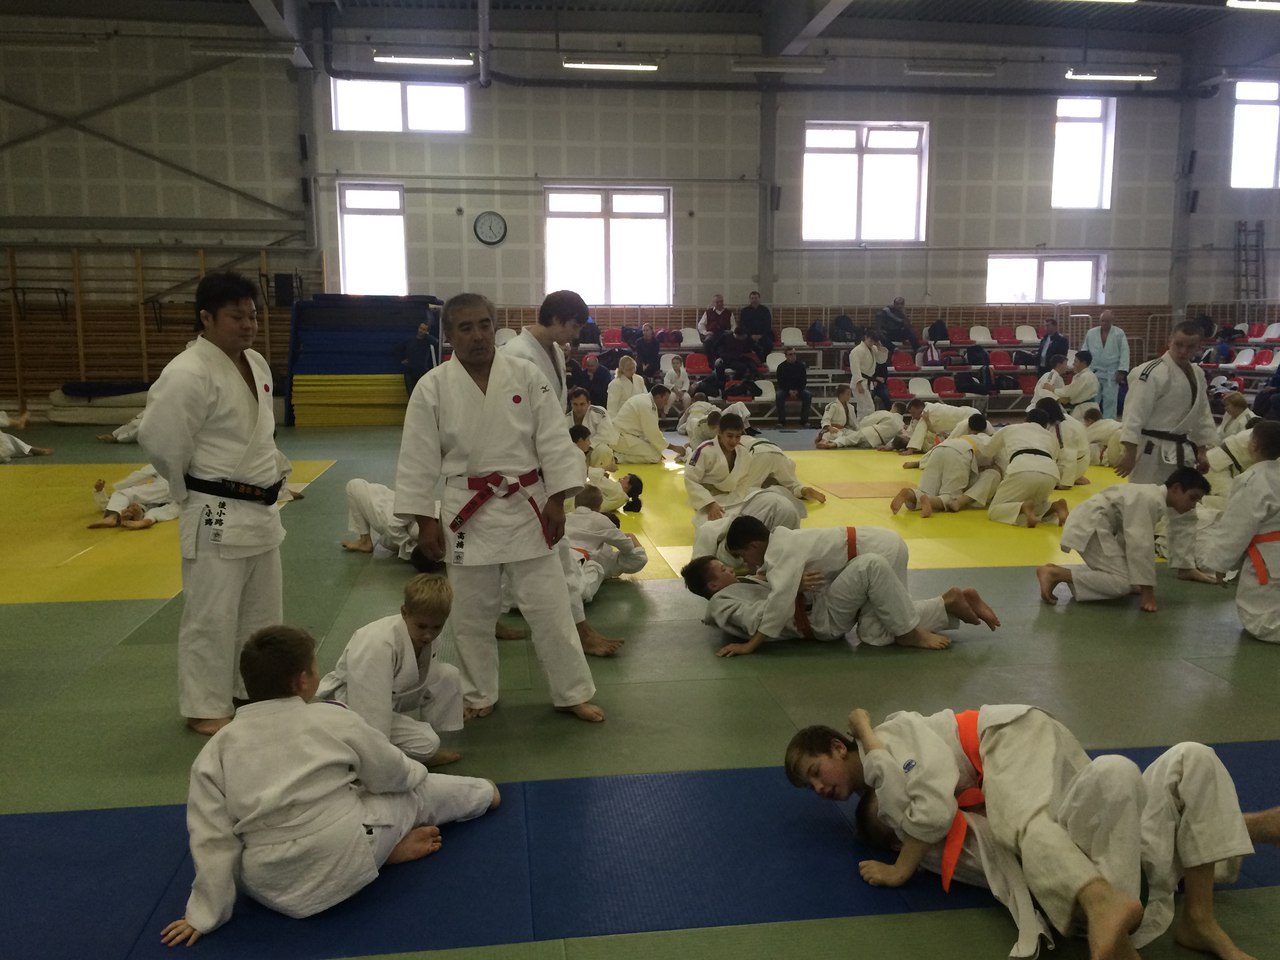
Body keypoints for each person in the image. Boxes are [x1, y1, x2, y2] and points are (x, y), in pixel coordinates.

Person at [791, 722, 1276, 960]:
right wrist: (867, 733)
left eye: (815, 774)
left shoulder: (979, 789)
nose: (818, 788)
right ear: (898, 838)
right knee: (1113, 771)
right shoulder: (949, 840)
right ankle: (1114, 925)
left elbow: (914, 783)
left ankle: (1200, 919)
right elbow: (912, 804)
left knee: (1193, 755)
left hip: (1126, 843)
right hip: (1097, 880)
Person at [159, 625, 498, 947]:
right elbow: (392, 774)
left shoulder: (215, 750)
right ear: (303, 680)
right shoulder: (331, 718)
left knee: (345, 798)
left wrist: (204, 914)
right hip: (343, 857)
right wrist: (416, 772)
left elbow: (211, 838)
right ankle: (482, 795)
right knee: (414, 794)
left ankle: (381, 851)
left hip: (268, 885)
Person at [785, 706, 1149, 960]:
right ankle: (1117, 935)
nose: (818, 788)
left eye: (816, 772)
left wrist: (900, 870)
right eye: (809, 787)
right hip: (1014, 750)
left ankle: (1101, 903)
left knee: (1017, 825)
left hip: (1005, 738)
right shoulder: (881, 772)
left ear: (838, 747)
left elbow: (934, 811)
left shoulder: (888, 736)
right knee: (1076, 827)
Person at [393, 292, 602, 722]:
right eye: (466, 328)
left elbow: (553, 439)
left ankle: (572, 692)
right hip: (467, 511)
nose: (478, 335)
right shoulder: (433, 386)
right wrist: (424, 520)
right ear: (450, 336)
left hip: (528, 505)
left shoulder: (525, 374)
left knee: (551, 608)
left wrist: (558, 499)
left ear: (494, 326)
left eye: (484, 325)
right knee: (471, 614)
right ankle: (478, 693)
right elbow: (417, 457)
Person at [139, 271, 290, 736]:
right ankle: (205, 705)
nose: (248, 325)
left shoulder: (256, 363)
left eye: (253, 316)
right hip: (215, 511)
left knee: (263, 615)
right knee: (211, 616)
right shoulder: (187, 372)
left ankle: (251, 691)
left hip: (260, 511)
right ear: (205, 318)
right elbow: (160, 440)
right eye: (236, 317)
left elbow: (262, 437)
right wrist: (189, 490)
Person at [682, 550, 998, 658]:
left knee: (875, 633)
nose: (729, 568)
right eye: (722, 570)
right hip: (818, 623)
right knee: (871, 565)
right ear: (712, 586)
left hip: (820, 607)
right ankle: (913, 631)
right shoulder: (721, 603)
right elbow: (754, 619)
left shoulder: (742, 585)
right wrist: (791, 588)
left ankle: (948, 603)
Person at [316, 575, 463, 766]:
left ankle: (412, 752)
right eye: (421, 626)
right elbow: (372, 711)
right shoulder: (377, 645)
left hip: (392, 693)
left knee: (448, 675)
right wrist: (379, 761)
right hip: (352, 703)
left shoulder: (423, 632)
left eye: (437, 627)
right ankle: (354, 750)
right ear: (404, 612)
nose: (428, 635)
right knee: (427, 743)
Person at [1037, 466, 1214, 611]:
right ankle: (1057, 574)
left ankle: (1056, 573)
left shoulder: (1151, 496)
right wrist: (1147, 592)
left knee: (1126, 581)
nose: (1193, 505)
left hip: (1093, 524)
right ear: (1176, 488)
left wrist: (1136, 581)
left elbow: (1126, 537)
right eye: (1192, 498)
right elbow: (1140, 544)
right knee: (1121, 584)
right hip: (1091, 526)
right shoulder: (1150, 499)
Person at [1201, 420, 1280, 644]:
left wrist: (1220, 564)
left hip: (1269, 562)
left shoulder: (1253, 480)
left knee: (1261, 622)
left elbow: (1236, 528)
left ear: (1252, 444)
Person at [1116, 320, 1216, 484]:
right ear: (1170, 341)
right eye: (1179, 344)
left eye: (1190, 347)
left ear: (1199, 347)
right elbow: (1134, 412)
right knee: (1145, 496)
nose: (1183, 351)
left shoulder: (1197, 373)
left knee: (1177, 498)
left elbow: (1201, 413)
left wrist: (1202, 450)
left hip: (1181, 450)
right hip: (1151, 451)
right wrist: (1130, 451)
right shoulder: (1151, 372)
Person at [892, 418, 1000, 518]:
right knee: (951, 496)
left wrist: (918, 463)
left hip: (939, 449)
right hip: (961, 453)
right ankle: (930, 501)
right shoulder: (991, 440)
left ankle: (910, 494)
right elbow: (1000, 467)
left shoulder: (964, 436)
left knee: (926, 491)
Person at [505, 290, 586, 413]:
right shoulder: (515, 353)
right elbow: (512, 411)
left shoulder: (558, 351)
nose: (576, 335)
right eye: (574, 326)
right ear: (556, 319)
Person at [983, 410, 1069, 527]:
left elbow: (987, 450)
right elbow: (1055, 457)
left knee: (995, 510)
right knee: (1036, 507)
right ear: (1046, 425)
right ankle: (1054, 507)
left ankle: (1022, 507)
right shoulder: (1051, 436)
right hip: (1050, 472)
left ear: (1026, 419)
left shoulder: (1010, 428)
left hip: (1022, 468)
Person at [564, 484, 649, 597]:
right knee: (595, 569)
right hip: (579, 563)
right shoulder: (601, 522)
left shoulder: (566, 517)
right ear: (599, 506)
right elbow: (630, 549)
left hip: (559, 557)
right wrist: (631, 537)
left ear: (575, 503)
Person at [691, 488, 805, 568]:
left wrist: (798, 488)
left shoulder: (786, 544)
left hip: (764, 501)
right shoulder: (711, 532)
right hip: (757, 499)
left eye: (742, 556)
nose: (746, 561)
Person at [684, 412, 754, 524]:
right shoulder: (705, 450)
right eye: (729, 436)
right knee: (710, 528)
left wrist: (738, 498)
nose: (734, 441)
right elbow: (690, 478)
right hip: (708, 500)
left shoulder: (743, 452)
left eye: (738, 436)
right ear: (719, 432)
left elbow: (744, 480)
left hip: (734, 499)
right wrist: (710, 503)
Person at [340, 479, 420, 560]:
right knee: (381, 492)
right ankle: (409, 548)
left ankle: (365, 540)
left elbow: (392, 525)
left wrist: (410, 550)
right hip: (403, 532)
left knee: (354, 485)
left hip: (398, 530)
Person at [88, 465, 178, 529]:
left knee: (121, 495)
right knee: (152, 508)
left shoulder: (165, 462)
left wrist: (119, 487)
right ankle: (144, 519)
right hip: (172, 496)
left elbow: (139, 476)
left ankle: (113, 516)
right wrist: (99, 492)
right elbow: (109, 505)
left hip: (168, 485)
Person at [613, 385, 686, 464]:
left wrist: (657, 449)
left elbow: (651, 432)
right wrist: (674, 447)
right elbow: (652, 433)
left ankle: (617, 454)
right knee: (655, 457)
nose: (666, 403)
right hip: (621, 439)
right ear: (658, 397)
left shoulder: (646, 401)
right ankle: (617, 458)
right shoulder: (646, 404)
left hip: (627, 437)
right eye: (665, 400)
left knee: (656, 452)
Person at [1081, 311, 1129, 419]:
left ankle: (1109, 423)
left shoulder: (1119, 333)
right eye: (1102, 321)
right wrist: (1083, 368)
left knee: (1110, 400)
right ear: (1099, 321)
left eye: (1107, 321)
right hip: (1094, 371)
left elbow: (1125, 352)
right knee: (1092, 399)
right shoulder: (1091, 333)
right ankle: (1092, 421)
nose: (1104, 323)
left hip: (1112, 372)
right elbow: (1085, 350)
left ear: (1112, 321)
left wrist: (1122, 371)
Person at [1035, 398, 1091, 488]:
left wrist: (1066, 483)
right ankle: (1075, 476)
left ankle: (1071, 478)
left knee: (1038, 478)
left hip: (1074, 463)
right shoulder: (1065, 418)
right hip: (1079, 461)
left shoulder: (1062, 429)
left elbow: (1069, 457)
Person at [903, 399, 987, 453]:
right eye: (911, 413)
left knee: (953, 445)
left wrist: (910, 449)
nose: (912, 416)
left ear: (920, 408)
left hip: (969, 416)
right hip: (969, 412)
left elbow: (920, 430)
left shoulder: (926, 412)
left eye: (913, 413)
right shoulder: (928, 407)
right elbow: (919, 428)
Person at [848, 330, 884, 424]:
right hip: (859, 382)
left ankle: (861, 427)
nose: (872, 343)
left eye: (874, 342)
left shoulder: (873, 348)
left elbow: (881, 360)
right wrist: (858, 383)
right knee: (866, 408)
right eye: (870, 341)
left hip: (867, 381)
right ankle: (861, 427)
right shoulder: (856, 351)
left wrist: (880, 347)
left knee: (866, 408)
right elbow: (855, 368)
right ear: (866, 338)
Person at [1056, 350, 1100, 420]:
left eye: (1075, 361)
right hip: (1085, 407)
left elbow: (1069, 392)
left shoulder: (1085, 376)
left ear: (1083, 363)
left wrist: (1053, 389)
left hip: (1085, 409)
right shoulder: (1085, 375)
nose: (1073, 364)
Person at [775, 347, 812, 429]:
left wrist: (797, 391)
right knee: (779, 395)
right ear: (786, 356)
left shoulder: (801, 366)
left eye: (794, 354)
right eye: (790, 354)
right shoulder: (781, 367)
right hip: (785, 390)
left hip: (799, 389)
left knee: (808, 395)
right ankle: (781, 421)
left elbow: (803, 381)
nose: (793, 356)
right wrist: (789, 391)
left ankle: (804, 421)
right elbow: (780, 382)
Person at [399, 320, 439, 396]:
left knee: (422, 396)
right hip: (410, 373)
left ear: (427, 332)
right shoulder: (410, 340)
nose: (421, 331)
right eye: (420, 328)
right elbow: (398, 349)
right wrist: (402, 359)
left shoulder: (427, 341)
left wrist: (427, 335)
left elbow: (436, 342)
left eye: (424, 329)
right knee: (411, 396)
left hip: (422, 372)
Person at [738, 290, 775, 355]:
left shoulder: (765, 310)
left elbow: (768, 324)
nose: (754, 300)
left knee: (769, 345)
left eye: (756, 298)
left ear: (759, 299)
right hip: (749, 336)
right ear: (750, 299)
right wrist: (750, 335)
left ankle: (763, 359)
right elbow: (742, 325)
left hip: (763, 336)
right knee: (742, 345)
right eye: (752, 298)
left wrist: (760, 336)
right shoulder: (744, 311)